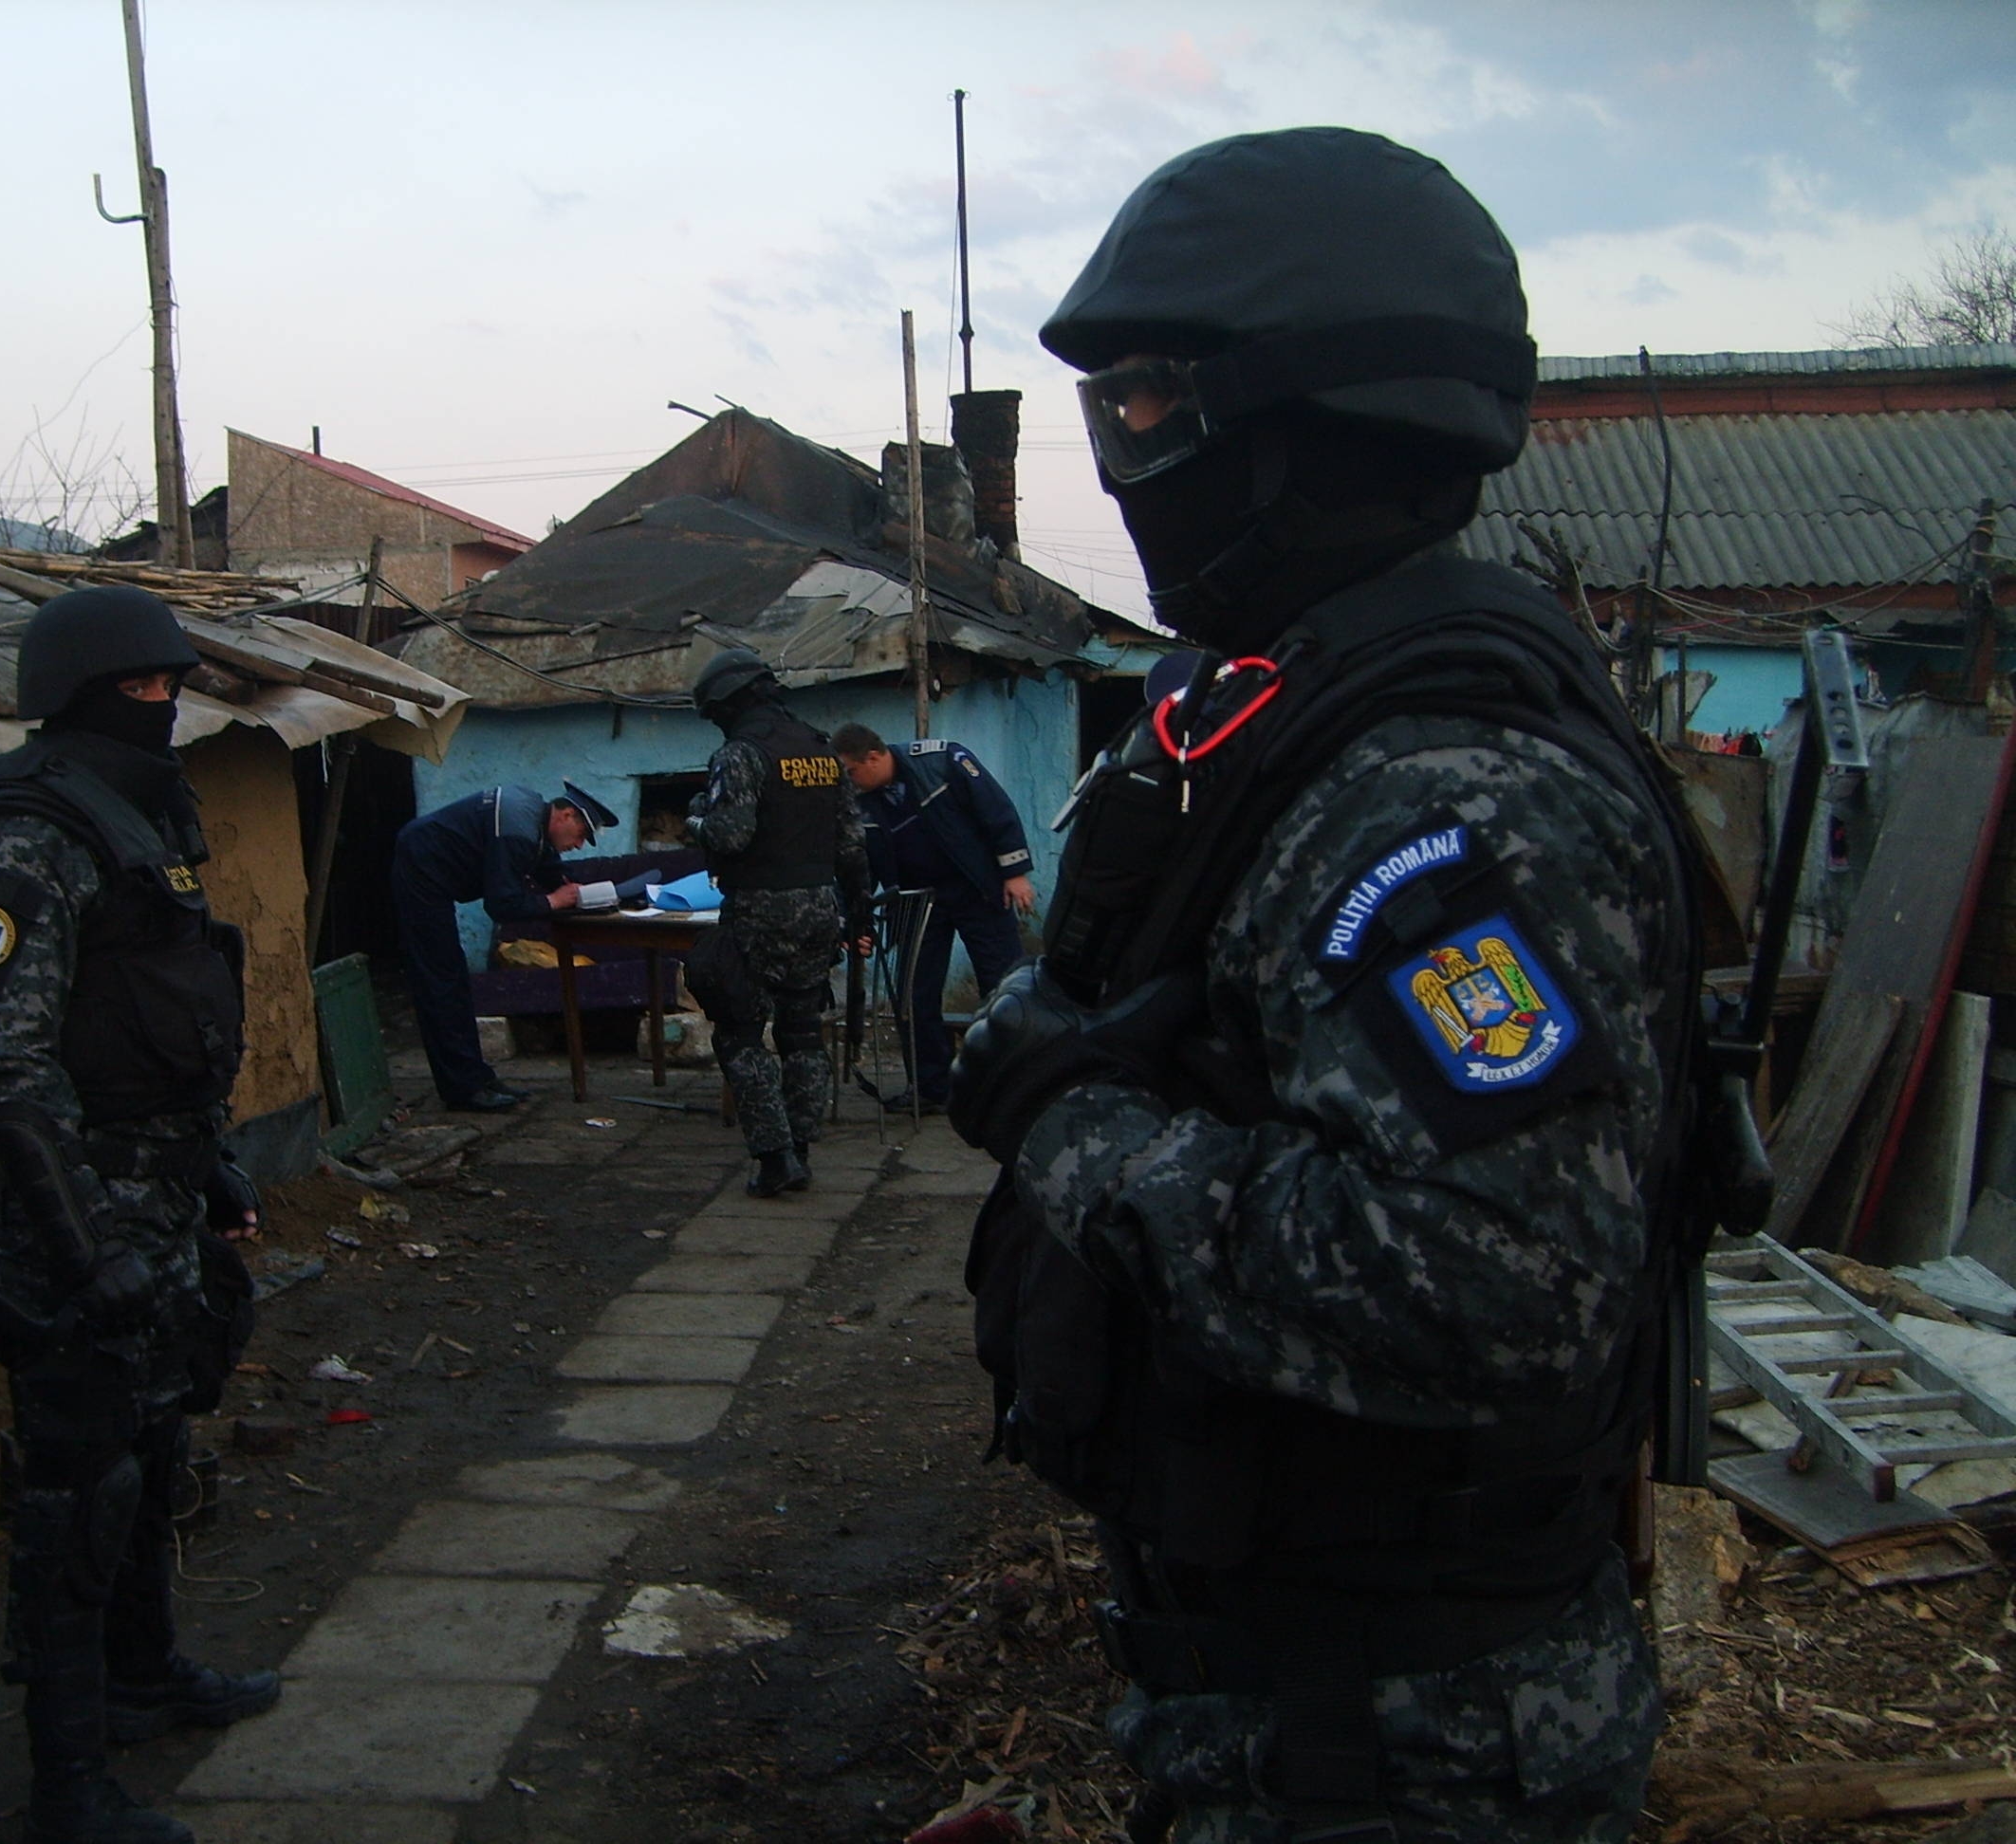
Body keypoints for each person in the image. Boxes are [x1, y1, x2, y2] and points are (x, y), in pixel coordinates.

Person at [948, 128, 1702, 1843]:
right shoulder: (1295, 710)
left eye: (1149, 400)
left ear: (1305, 415)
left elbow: (1490, 1279)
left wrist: (1075, 1123)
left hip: (1406, 1740)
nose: (1125, 454)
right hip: (1300, 1692)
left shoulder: (1434, 791)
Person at [0, 585, 282, 1844]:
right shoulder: (17, 838)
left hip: (163, 1191)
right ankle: (66, 1781)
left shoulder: (140, 814)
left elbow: (165, 1008)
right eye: (142, 688)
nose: (165, 706)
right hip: (72, 1219)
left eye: (171, 686)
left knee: (156, 1453)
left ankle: (144, 1677)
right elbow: (7, 1075)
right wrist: (85, 1252)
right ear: (79, 691)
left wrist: (215, 1172)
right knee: (75, 1493)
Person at [684, 648, 871, 1196]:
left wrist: (696, 816)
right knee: (802, 1031)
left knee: (740, 1033)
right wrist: (857, 906)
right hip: (819, 905)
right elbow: (852, 842)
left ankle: (774, 1158)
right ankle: (803, 1150)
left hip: (761, 908)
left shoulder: (741, 754)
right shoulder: (820, 748)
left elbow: (729, 836)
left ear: (731, 704)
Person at [832, 723, 1034, 1111]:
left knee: (1006, 988)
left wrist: (1014, 873)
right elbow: (855, 867)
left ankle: (1015, 1084)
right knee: (914, 995)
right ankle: (930, 1088)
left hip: (977, 889)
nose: (849, 782)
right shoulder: (858, 805)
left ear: (872, 758)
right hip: (916, 901)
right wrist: (855, 921)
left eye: (852, 772)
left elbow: (995, 809)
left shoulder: (940, 762)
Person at [390, 780, 619, 1112]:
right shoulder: (517, 831)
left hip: (429, 863)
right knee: (441, 982)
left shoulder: (533, 816)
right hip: (422, 871)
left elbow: (546, 865)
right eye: (581, 835)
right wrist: (552, 902)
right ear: (566, 815)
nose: (580, 845)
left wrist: (573, 890)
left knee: (454, 983)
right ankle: (463, 1089)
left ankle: (477, 1077)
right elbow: (502, 905)